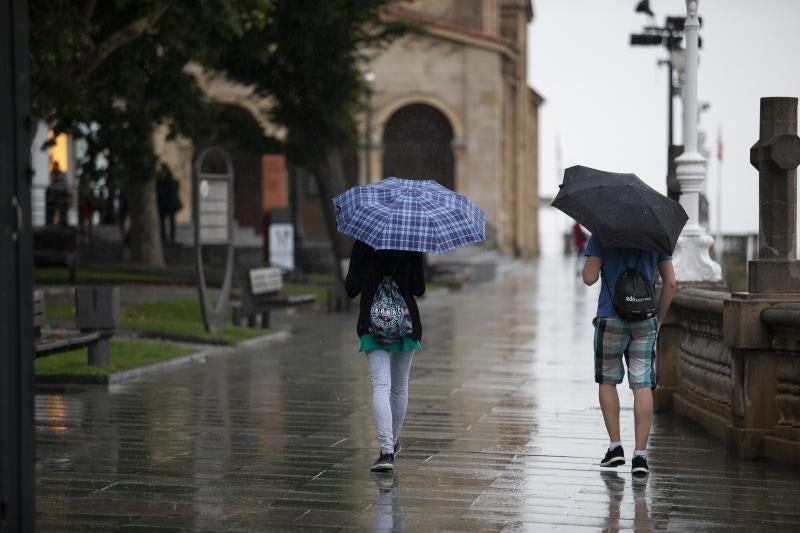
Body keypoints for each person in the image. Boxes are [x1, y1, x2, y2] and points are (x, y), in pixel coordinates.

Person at [582, 236, 675, 477]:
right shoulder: (657, 236)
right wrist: (661, 317)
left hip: (610, 318)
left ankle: (615, 448)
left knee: (607, 380)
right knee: (643, 383)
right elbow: (671, 283)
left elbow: (589, 277)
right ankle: (641, 456)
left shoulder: (602, 233)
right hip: (645, 319)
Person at [345, 239, 425, 472]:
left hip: (372, 322)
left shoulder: (364, 239)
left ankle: (387, 450)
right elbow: (419, 288)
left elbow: (351, 288)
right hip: (406, 322)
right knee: (399, 388)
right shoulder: (412, 238)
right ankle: (390, 447)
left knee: (381, 385)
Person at [156, 164, 182, 243]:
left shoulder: (169, 182)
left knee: (169, 220)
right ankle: (166, 236)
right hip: (166, 204)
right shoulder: (163, 181)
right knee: (165, 221)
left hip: (169, 204)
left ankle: (170, 236)